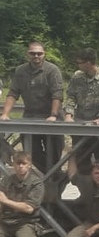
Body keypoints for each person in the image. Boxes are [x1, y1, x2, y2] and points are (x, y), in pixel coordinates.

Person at [0, 42, 64, 174]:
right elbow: (13, 93)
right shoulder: (20, 71)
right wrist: (5, 114)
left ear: (44, 54)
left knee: (54, 154)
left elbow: (57, 95)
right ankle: (54, 177)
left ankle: (54, 178)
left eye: (39, 53)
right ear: (27, 54)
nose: (36, 56)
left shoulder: (52, 70)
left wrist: (53, 115)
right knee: (31, 152)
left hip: (51, 116)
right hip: (30, 116)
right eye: (33, 53)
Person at [0, 151, 67, 237]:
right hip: (5, 222)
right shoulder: (7, 181)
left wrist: (6, 201)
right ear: (13, 165)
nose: (20, 166)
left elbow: (29, 208)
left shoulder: (36, 183)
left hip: (25, 223)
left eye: (23, 163)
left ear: (29, 165)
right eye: (17, 163)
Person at [64, 47, 99, 175]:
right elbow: (71, 96)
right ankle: (85, 191)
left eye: (79, 62)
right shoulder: (77, 76)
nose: (77, 65)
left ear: (88, 63)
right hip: (80, 123)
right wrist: (68, 114)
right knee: (81, 159)